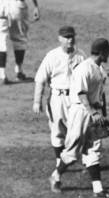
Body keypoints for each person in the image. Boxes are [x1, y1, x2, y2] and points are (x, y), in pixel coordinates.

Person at [50, 38, 109, 198]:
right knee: (73, 151)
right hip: (81, 112)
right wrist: (92, 112)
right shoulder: (84, 68)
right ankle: (56, 175)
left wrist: (102, 114)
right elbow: (81, 93)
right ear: (100, 52)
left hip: (94, 111)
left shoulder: (100, 69)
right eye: (108, 51)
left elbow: (100, 95)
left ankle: (98, 189)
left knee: (94, 149)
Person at [33, 26, 87, 168]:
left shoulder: (81, 56)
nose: (69, 40)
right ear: (60, 39)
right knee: (57, 130)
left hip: (76, 99)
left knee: (77, 130)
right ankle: (59, 161)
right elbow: (40, 79)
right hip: (58, 97)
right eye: (66, 37)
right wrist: (37, 101)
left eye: (71, 37)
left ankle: (79, 160)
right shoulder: (52, 56)